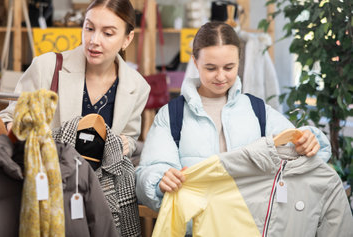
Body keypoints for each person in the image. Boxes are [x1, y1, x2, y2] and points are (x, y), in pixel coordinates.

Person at [135, 21, 331, 211]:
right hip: (196, 229)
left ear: (239, 61)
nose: (220, 76)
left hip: (253, 228)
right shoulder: (171, 115)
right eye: (211, 68)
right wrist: (160, 179)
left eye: (229, 67)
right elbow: (149, 171)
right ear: (195, 62)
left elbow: (296, 141)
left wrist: (308, 140)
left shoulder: (257, 110)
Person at [0, 0, 150, 157]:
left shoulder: (137, 87)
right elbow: (8, 117)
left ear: (127, 39)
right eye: (89, 28)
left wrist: (127, 144)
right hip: (49, 176)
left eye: (108, 33)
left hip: (100, 182)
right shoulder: (46, 67)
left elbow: (130, 137)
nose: (94, 40)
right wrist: (19, 130)